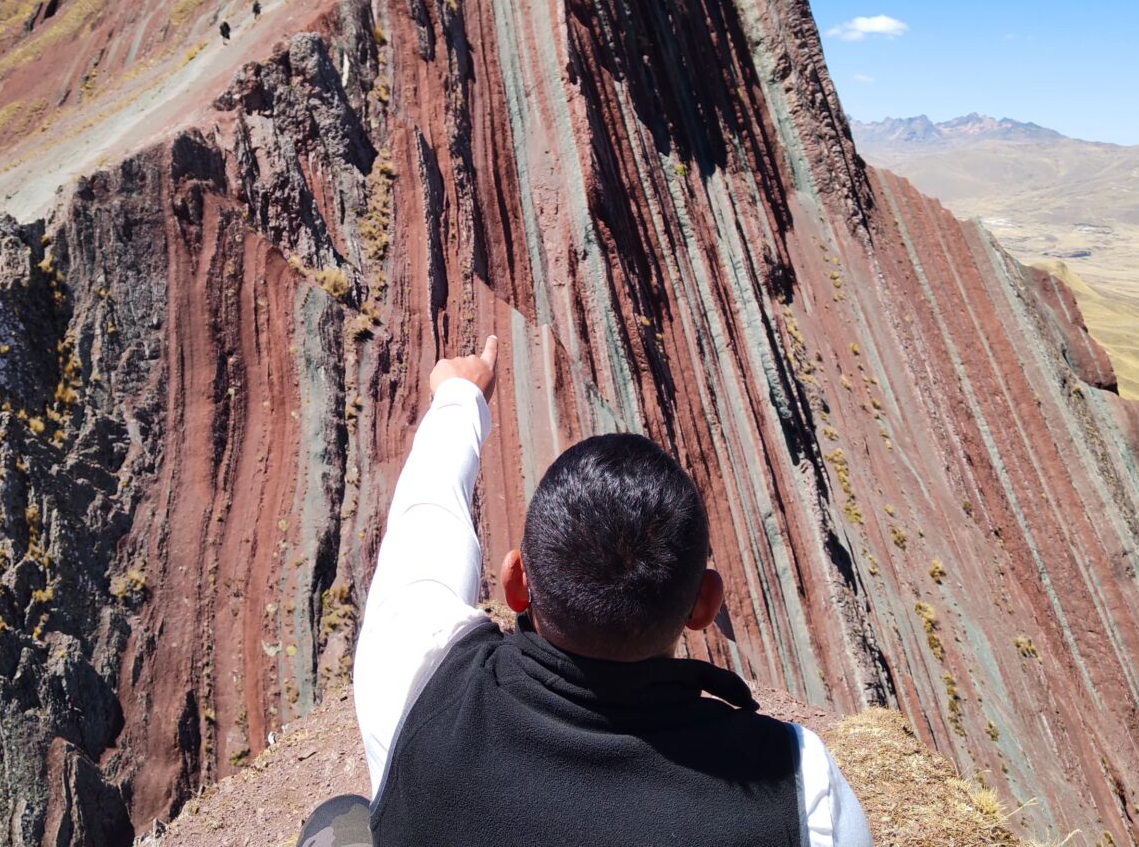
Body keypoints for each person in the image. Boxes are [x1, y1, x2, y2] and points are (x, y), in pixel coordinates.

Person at [296, 336, 871, 846]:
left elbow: (426, 524)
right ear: (705, 605)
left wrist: (458, 398)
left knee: (341, 821)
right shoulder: (799, 789)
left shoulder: (420, 688)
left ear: (516, 582)